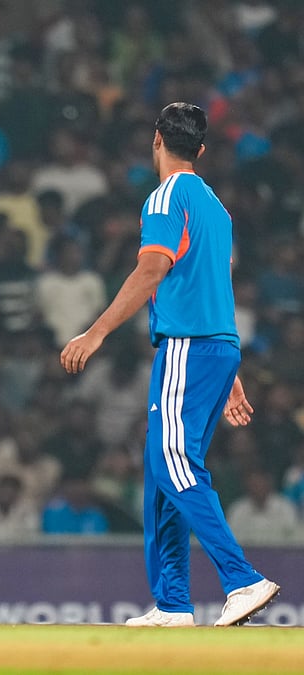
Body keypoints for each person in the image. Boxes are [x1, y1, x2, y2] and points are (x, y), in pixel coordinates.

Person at [60, 102, 280, 628]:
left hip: (186, 346)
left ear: (156, 139)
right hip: (216, 346)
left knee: (174, 464)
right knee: (163, 473)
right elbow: (215, 289)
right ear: (200, 150)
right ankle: (174, 603)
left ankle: (242, 579)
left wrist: (96, 332)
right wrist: (231, 375)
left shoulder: (165, 197)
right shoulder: (215, 206)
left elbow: (152, 269)